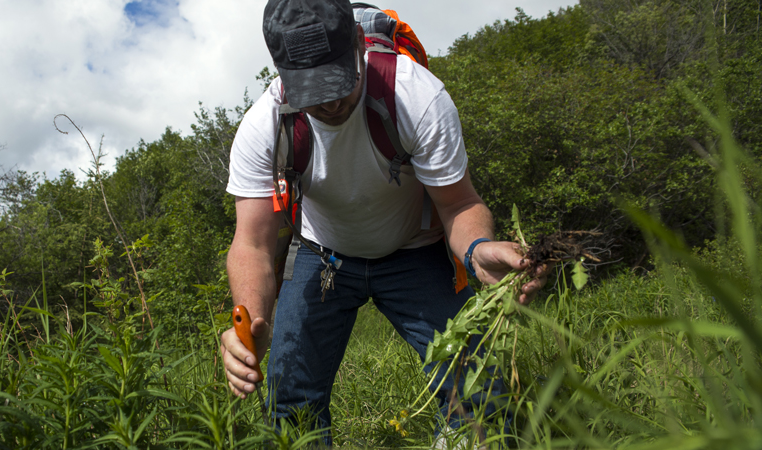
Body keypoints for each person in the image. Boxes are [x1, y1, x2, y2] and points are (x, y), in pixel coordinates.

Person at [221, 0, 548, 444]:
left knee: (476, 387)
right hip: (323, 258)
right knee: (290, 398)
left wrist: (476, 250)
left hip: (416, 251)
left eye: (338, 79)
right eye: (313, 90)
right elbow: (253, 244)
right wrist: (252, 322)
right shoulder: (265, 126)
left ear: (358, 43)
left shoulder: (416, 97)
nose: (332, 101)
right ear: (282, 73)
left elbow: (458, 204)